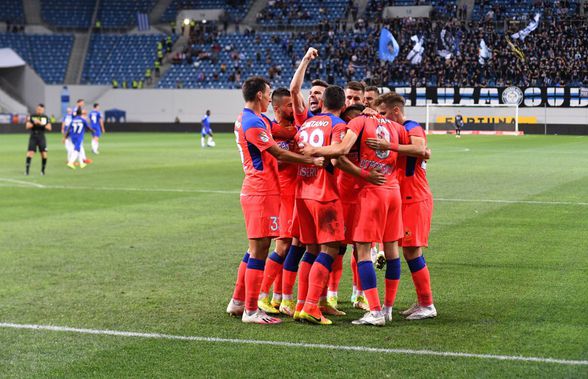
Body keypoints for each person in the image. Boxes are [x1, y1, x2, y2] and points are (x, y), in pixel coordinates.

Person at [226, 76, 324, 324]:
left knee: (254, 249)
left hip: (261, 190)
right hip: (260, 191)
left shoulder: (255, 119)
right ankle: (251, 310)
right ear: (259, 95)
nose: (270, 98)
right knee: (260, 250)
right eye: (268, 93)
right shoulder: (252, 123)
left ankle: (238, 301)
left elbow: (283, 131)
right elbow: (278, 152)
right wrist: (311, 159)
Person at [366, 92, 437, 320]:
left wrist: (390, 145)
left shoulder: (411, 126)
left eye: (384, 113)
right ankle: (422, 301)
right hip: (402, 197)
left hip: (414, 198)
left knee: (412, 250)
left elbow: (419, 149)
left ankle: (427, 304)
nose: (382, 118)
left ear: (396, 110)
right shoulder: (394, 129)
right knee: (405, 250)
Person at [291, 85, 349, 325]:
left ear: (323, 102)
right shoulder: (337, 125)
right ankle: (312, 307)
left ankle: (302, 304)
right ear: (343, 106)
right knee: (330, 250)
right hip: (324, 193)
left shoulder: (307, 124)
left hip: (302, 192)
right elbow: (336, 156)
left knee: (311, 249)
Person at [256, 87, 298, 315]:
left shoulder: (296, 128)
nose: (294, 108)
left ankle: (280, 298)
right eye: (290, 105)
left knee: (290, 245)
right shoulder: (269, 129)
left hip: (295, 194)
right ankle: (262, 295)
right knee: (282, 246)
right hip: (281, 195)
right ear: (277, 107)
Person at [290, 47, 328, 126]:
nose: (312, 95)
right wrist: (306, 59)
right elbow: (294, 90)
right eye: (310, 93)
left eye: (317, 93)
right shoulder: (306, 118)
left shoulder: (337, 120)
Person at [25, 104, 51, 176]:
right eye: (38, 109)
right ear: (36, 109)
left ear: (43, 110)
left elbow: (49, 128)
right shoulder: (32, 116)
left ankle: (42, 171)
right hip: (33, 136)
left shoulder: (45, 117)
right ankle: (27, 171)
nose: (40, 110)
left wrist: (41, 123)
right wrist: (34, 122)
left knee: (44, 154)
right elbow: (27, 126)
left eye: (41, 109)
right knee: (30, 153)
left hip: (41, 136)